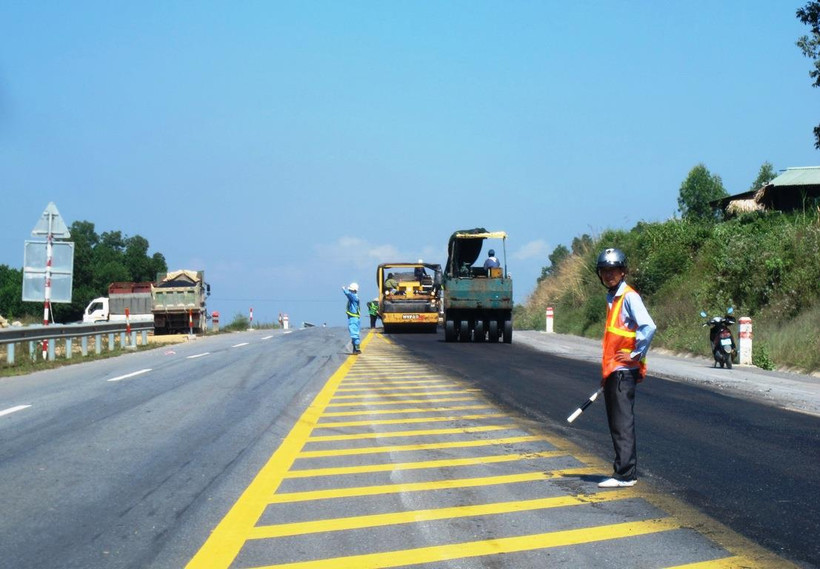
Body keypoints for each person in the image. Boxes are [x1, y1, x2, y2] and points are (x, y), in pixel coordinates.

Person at [595, 247, 656, 488]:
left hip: (623, 370)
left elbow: (648, 327)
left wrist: (635, 353)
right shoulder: (613, 298)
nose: (609, 274)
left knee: (622, 423)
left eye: (614, 270)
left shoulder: (629, 297)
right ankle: (623, 469)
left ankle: (625, 474)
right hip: (614, 370)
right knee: (617, 422)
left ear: (623, 272)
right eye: (605, 271)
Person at [342, 282, 362, 354]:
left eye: (350, 290)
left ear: (353, 290)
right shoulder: (355, 297)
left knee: (354, 333)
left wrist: (344, 289)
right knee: (354, 333)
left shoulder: (353, 297)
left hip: (353, 318)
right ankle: (355, 349)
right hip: (354, 317)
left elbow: (348, 294)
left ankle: (357, 349)